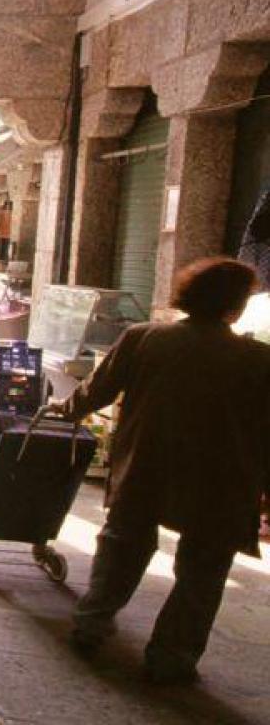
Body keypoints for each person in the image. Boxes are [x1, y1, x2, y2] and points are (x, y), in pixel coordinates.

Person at [62, 257, 270, 685]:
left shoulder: (143, 337)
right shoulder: (257, 359)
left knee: (121, 545)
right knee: (203, 571)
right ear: (234, 307)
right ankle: (171, 657)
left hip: (147, 467)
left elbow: (96, 392)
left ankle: (92, 623)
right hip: (222, 483)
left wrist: (63, 410)